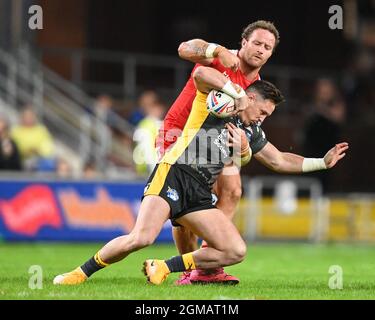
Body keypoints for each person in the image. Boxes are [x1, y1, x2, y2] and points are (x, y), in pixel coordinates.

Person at [53, 67, 347, 286]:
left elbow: (280, 160)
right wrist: (236, 93)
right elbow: (202, 74)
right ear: (252, 97)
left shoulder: (251, 132)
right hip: (173, 173)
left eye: (268, 115)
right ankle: (79, 274)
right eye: (263, 110)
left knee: (235, 250)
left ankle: (165, 266)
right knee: (141, 238)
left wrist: (321, 162)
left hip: (199, 193)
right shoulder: (221, 103)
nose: (263, 117)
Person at [156, 20, 280, 284]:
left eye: (267, 47)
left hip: (213, 140)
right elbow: (184, 48)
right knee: (182, 208)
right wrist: (215, 49)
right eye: (257, 43)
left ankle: (206, 264)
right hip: (179, 133)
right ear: (243, 42)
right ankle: (189, 270)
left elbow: (249, 126)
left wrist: (245, 150)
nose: (261, 49)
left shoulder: (257, 87)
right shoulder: (223, 58)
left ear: (270, 54)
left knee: (233, 189)